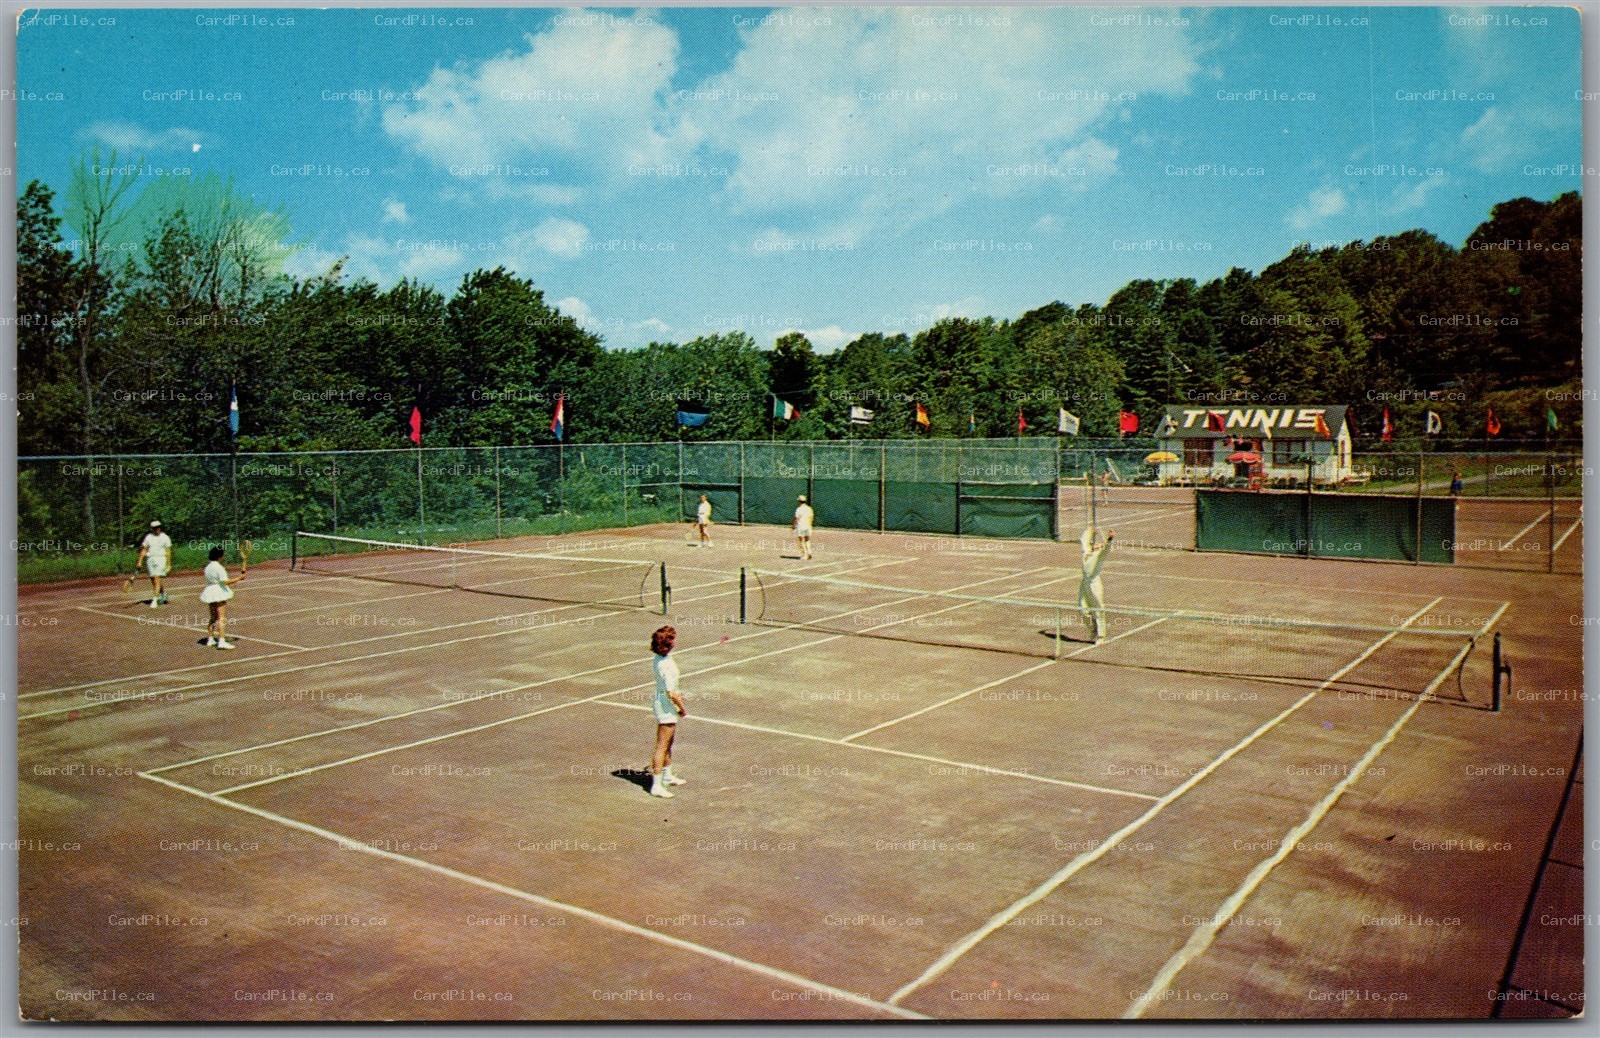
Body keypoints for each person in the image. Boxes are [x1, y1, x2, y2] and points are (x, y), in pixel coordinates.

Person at [648, 625, 687, 797]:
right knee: (662, 745)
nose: (675, 641)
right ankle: (656, 786)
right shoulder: (665, 665)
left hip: (665, 702)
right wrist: (682, 708)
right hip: (666, 706)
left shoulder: (661, 658)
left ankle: (667, 775)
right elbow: (671, 693)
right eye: (672, 639)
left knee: (669, 743)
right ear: (667, 644)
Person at [199, 545, 245, 650]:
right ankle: (221, 641)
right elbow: (225, 582)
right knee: (221, 617)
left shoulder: (208, 567)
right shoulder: (219, 568)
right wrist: (239, 578)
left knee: (213, 617)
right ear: (219, 556)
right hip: (218, 592)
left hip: (210, 591)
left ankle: (210, 639)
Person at [1079, 526, 1115, 644]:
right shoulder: (1087, 552)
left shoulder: (1100, 556)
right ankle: (1093, 628)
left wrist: (1109, 539)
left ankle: (1101, 636)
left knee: (1098, 609)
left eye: (1099, 545)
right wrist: (1090, 530)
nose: (1097, 545)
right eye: (1096, 544)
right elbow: (1084, 540)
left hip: (1094, 584)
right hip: (1085, 583)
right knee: (1083, 609)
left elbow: (1106, 549)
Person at [135, 520, 173, 608]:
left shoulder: (165, 537)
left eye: (159, 527)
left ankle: (155, 599)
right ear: (151, 529)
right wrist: (140, 561)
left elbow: (168, 552)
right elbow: (144, 550)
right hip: (150, 559)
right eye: (155, 528)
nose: (157, 529)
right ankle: (163, 594)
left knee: (156, 578)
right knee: (153, 580)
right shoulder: (148, 537)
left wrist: (168, 564)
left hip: (161, 559)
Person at [793, 495, 815, 561]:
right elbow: (811, 517)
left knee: (802, 540)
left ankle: (805, 555)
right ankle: (809, 552)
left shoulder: (799, 509)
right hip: (808, 526)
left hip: (801, 526)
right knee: (807, 539)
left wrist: (793, 526)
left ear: (799, 501)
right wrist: (810, 525)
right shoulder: (809, 509)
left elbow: (796, 518)